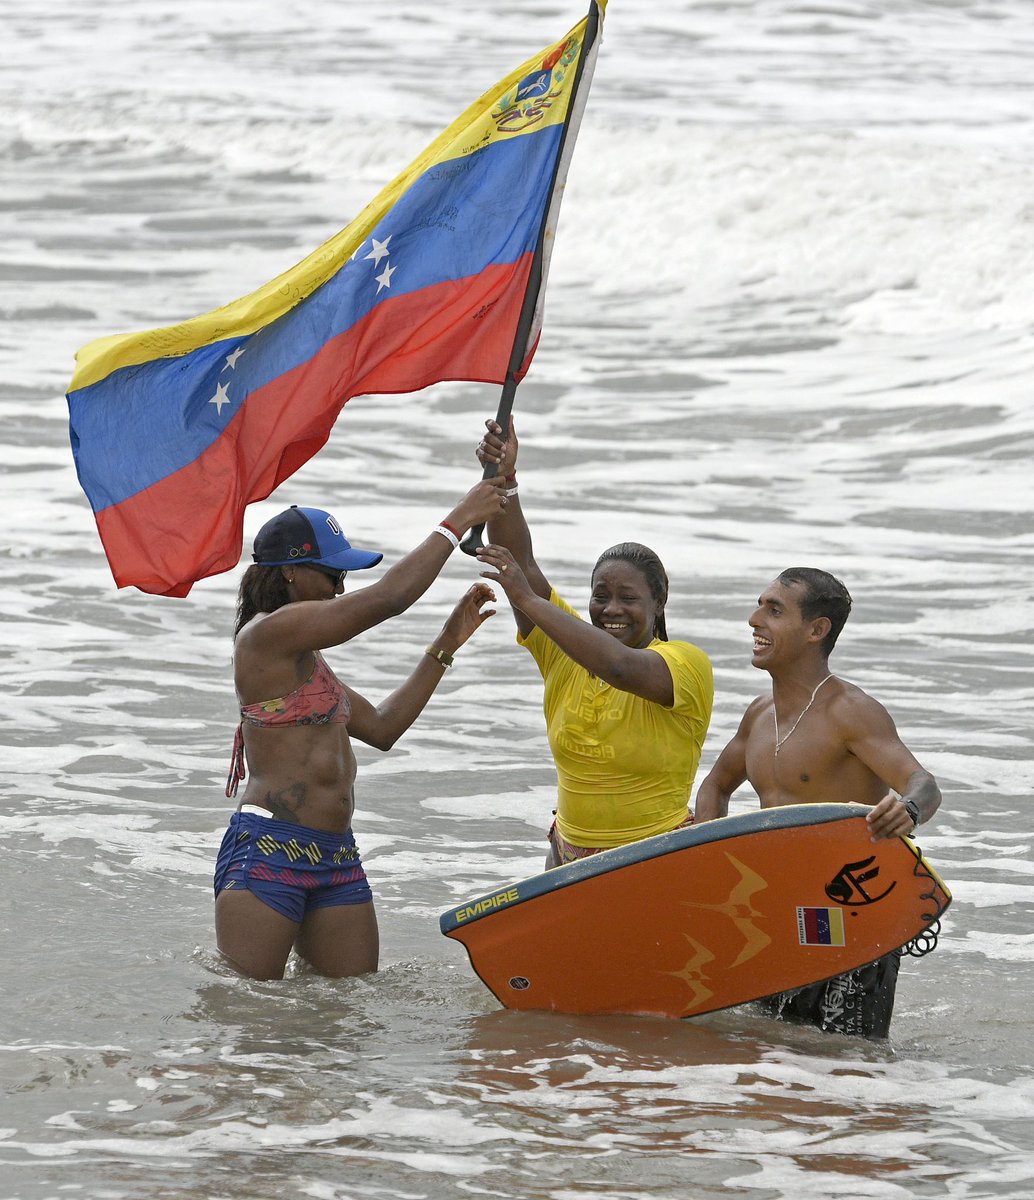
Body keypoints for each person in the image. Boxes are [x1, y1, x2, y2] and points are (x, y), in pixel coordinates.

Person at [214, 481, 506, 981]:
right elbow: (389, 598)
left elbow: (385, 728)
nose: (340, 589)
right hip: (268, 852)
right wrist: (458, 519)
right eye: (332, 574)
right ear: (289, 570)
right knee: (250, 1014)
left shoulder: (306, 665)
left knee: (349, 1009)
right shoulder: (265, 635)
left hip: (337, 855)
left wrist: (446, 643)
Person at [694, 566, 942, 1038]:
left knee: (850, 1059)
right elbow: (715, 787)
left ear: (816, 630)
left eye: (773, 610)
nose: (754, 620)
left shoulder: (850, 711)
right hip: (777, 911)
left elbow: (923, 783)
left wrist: (908, 810)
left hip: (852, 913)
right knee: (772, 1049)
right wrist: (711, 855)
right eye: (759, 606)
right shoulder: (759, 714)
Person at [473, 418, 714, 869]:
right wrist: (505, 479)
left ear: (660, 603)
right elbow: (521, 561)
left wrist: (527, 599)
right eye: (601, 596)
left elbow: (620, 667)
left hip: (656, 856)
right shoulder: (565, 649)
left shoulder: (685, 664)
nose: (611, 609)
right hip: (567, 856)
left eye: (628, 598)